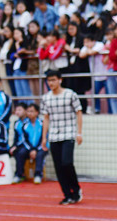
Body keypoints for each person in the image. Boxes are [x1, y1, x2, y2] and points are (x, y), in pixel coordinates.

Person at [41, 70, 83, 205]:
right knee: (58, 166)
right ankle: (67, 194)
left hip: (69, 133)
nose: (51, 83)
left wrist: (79, 133)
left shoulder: (70, 94)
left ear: (60, 80)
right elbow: (46, 118)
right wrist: (44, 138)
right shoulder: (46, 98)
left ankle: (76, 190)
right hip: (54, 135)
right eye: (49, 80)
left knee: (67, 163)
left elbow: (79, 112)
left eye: (53, 80)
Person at [15, 103, 46, 184]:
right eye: (28, 111)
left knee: (40, 154)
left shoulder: (42, 123)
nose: (29, 113)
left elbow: (43, 138)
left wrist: (36, 149)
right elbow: (25, 140)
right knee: (20, 153)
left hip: (41, 147)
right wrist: (31, 149)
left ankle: (38, 175)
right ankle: (19, 174)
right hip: (29, 147)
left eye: (32, 111)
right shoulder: (24, 125)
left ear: (37, 112)